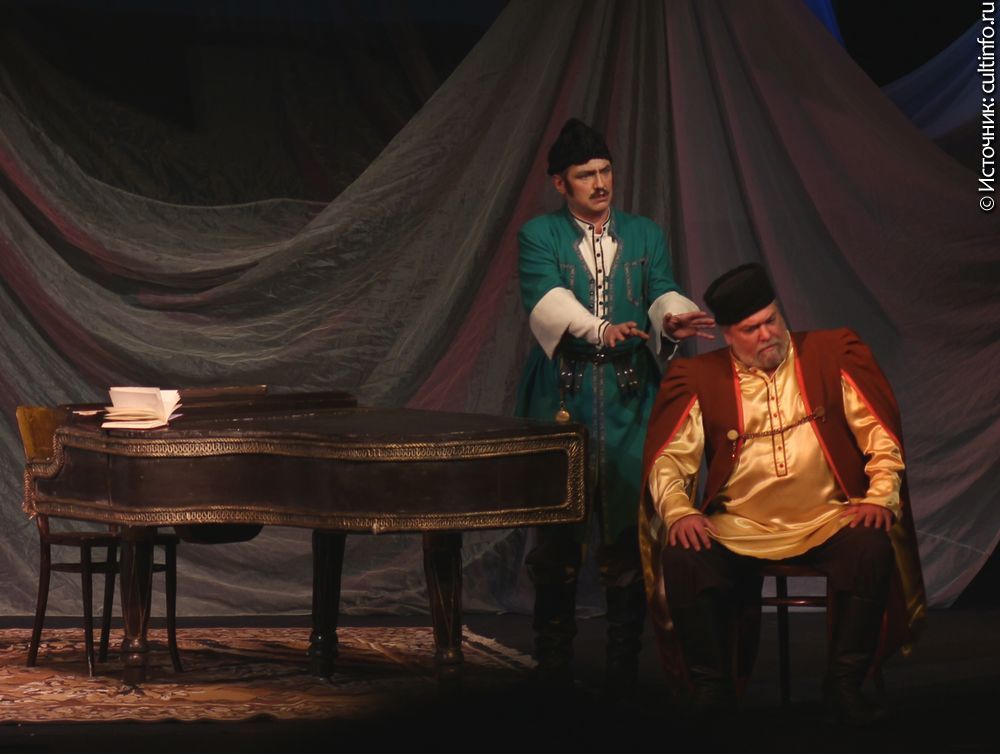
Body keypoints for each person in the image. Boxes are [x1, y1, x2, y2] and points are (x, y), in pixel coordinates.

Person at [639, 263, 926, 725]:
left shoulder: (831, 354)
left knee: (871, 545)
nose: (767, 334)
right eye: (751, 329)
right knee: (684, 553)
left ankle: (844, 687)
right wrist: (679, 511)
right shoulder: (700, 377)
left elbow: (880, 439)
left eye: (771, 320)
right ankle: (712, 693)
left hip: (828, 517)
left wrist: (879, 496)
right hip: (738, 526)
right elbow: (670, 461)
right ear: (728, 335)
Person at [516, 118, 714, 693]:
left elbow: (660, 289)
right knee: (557, 535)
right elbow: (547, 299)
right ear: (561, 183)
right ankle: (553, 667)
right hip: (563, 395)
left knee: (629, 532)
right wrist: (600, 330)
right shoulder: (539, 235)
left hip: (631, 396)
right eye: (586, 175)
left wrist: (672, 316)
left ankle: (624, 666)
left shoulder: (644, 233)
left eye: (605, 171)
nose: (600, 183)